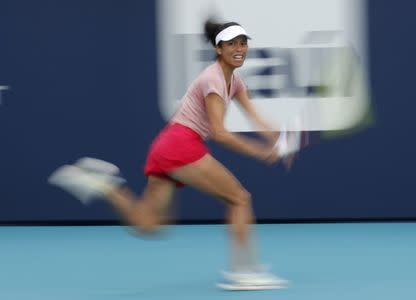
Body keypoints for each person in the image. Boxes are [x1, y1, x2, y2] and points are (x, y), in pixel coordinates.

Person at [49, 19, 298, 290]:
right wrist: (260, 152)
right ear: (218, 49)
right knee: (239, 198)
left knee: (149, 224)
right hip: (181, 145)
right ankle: (243, 272)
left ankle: (105, 185)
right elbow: (219, 133)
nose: (239, 49)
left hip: (167, 146)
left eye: (243, 43)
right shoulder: (213, 79)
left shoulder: (234, 80)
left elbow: (255, 116)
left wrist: (278, 138)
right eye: (232, 44)